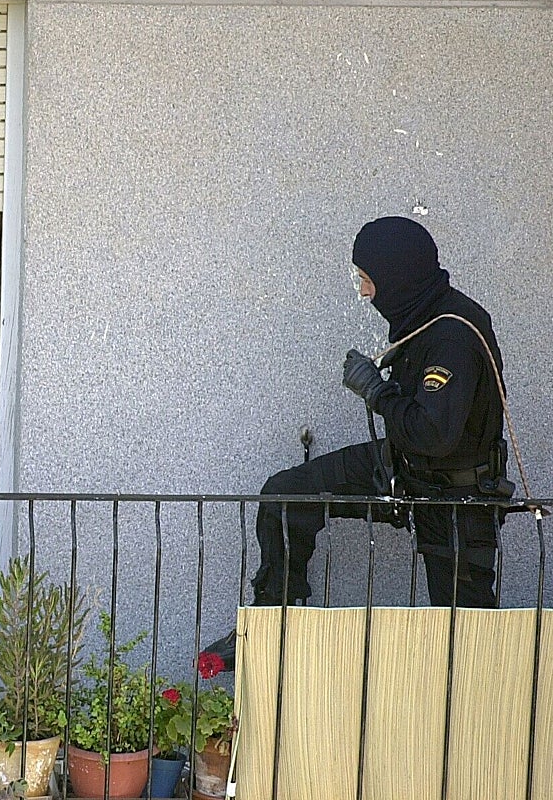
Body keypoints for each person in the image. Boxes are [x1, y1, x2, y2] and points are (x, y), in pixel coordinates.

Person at [204, 216, 510, 669]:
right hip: (406, 468)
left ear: (397, 278)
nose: (365, 293)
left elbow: (435, 434)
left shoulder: (451, 335)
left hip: (456, 499)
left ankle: (475, 719)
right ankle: (272, 628)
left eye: (368, 281)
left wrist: (377, 391)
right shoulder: (425, 316)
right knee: (287, 494)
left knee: (466, 638)